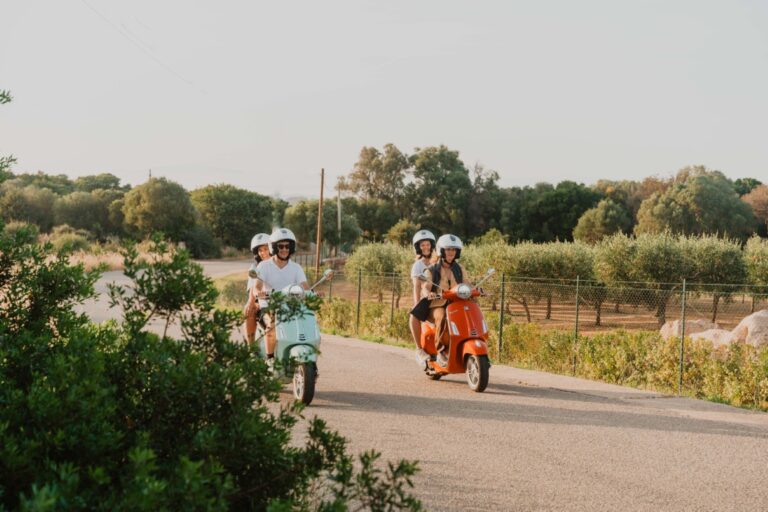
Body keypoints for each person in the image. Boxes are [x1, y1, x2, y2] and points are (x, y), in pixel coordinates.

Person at [253, 228, 309, 369]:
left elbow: (305, 287)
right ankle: (270, 359)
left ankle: (307, 360)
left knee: (307, 324)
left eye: (287, 246)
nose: (284, 249)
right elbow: (257, 286)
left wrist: (314, 293)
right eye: (281, 246)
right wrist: (258, 293)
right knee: (271, 327)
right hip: (269, 305)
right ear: (274, 247)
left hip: (291, 306)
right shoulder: (264, 266)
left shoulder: (296, 268)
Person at [421, 234, 467, 367]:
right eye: (448, 249)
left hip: (456, 303)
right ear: (441, 250)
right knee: (442, 316)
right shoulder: (432, 269)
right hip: (437, 305)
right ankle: (441, 350)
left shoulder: (460, 269)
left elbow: (467, 283)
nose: (451, 252)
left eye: (453, 249)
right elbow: (426, 286)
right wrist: (428, 293)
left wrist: (476, 289)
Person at [409, 229, 436, 363]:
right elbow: (417, 285)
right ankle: (419, 349)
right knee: (414, 316)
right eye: (422, 245)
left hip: (440, 295)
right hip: (426, 297)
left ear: (432, 245)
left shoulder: (437, 261)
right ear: (418, 248)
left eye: (427, 244)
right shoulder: (417, 265)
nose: (425, 247)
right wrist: (416, 302)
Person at [244, 232, 271, 346]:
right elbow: (252, 287)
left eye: (266, 249)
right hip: (262, 300)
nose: (263, 253)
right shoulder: (255, 267)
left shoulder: (279, 264)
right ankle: (251, 348)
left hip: (280, 300)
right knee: (250, 311)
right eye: (260, 250)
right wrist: (252, 302)